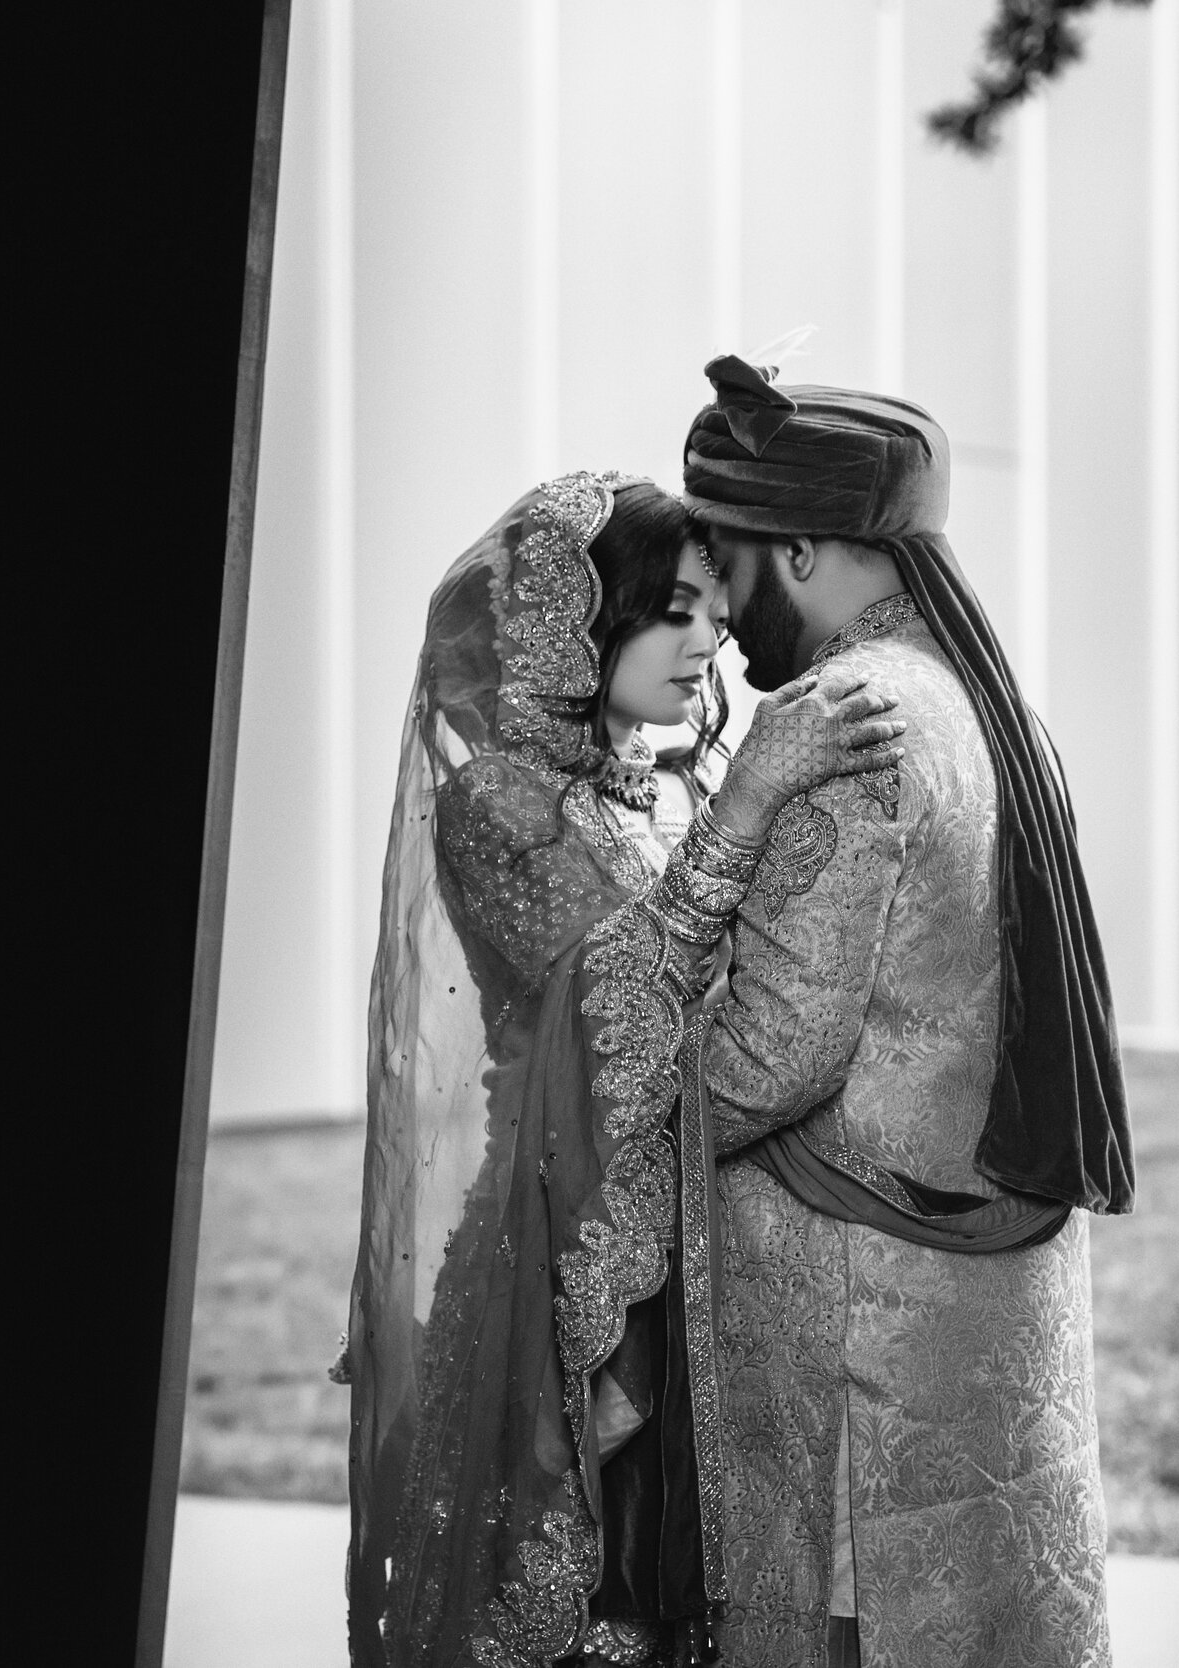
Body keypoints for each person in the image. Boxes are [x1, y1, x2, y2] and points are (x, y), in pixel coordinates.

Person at [341, 471, 909, 1668]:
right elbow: (607, 1008)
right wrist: (754, 795)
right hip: (560, 1247)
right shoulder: (494, 804)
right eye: (675, 611)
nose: (710, 640)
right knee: (584, 1599)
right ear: (576, 623)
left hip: (704, 1240)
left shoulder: (675, 785)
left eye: (712, 608)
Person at [679, 356, 1133, 1668]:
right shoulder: (989, 704)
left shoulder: (844, 716)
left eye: (728, 550)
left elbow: (771, 1055)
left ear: (810, 548)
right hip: (975, 1312)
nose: (712, 593)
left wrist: (591, 1109)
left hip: (852, 1333)